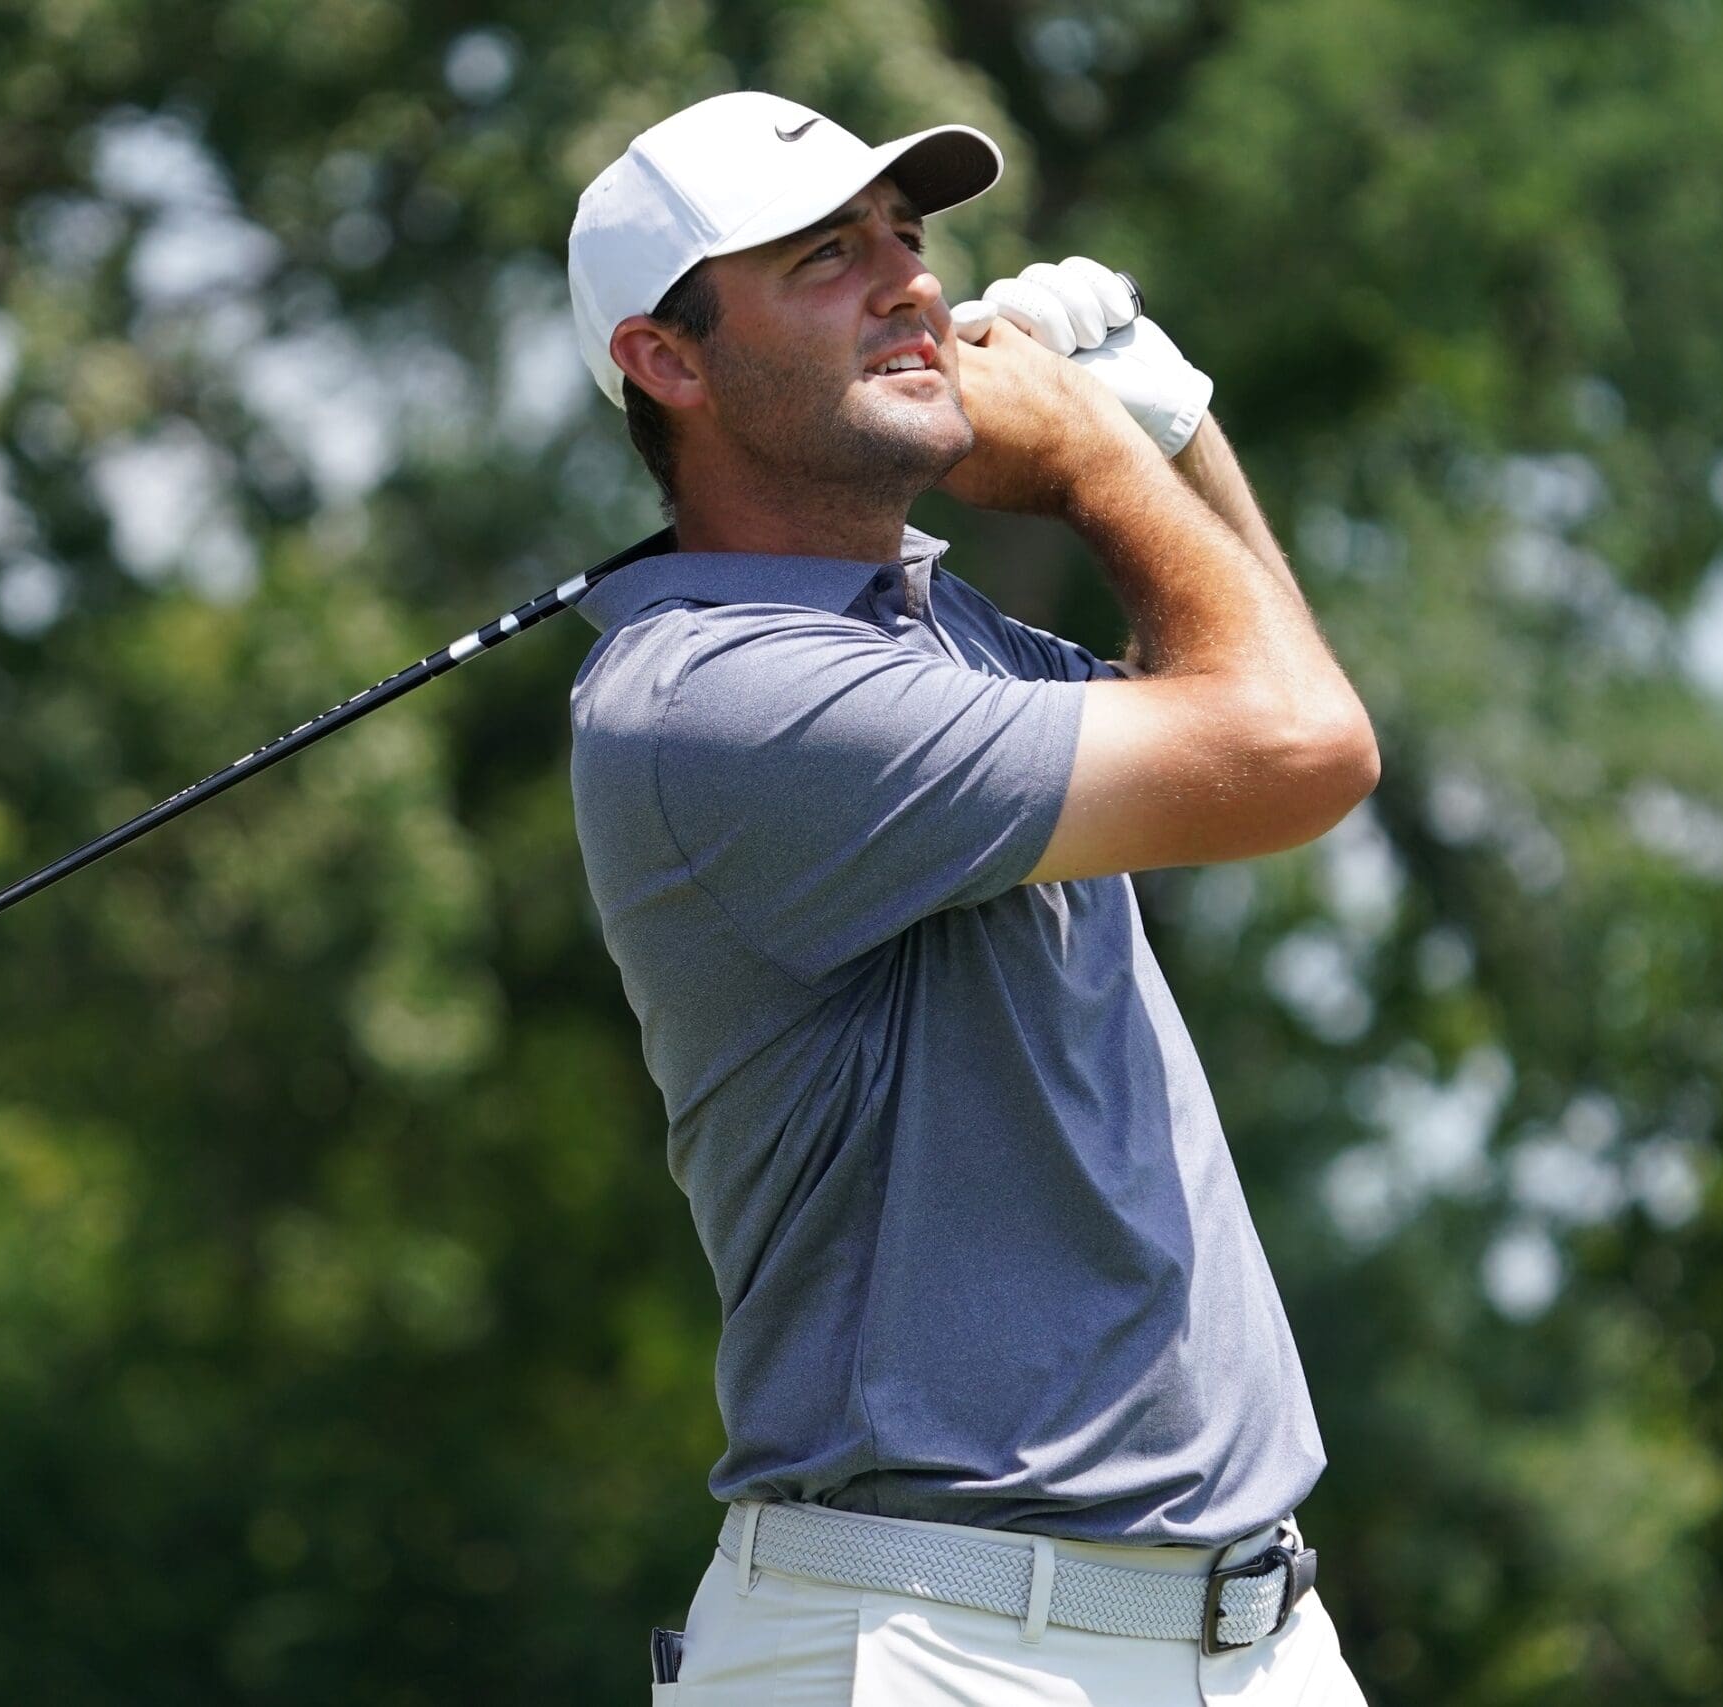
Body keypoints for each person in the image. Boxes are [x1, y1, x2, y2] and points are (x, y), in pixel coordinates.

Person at [563, 91, 1381, 1705]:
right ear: (669, 361)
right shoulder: (717, 697)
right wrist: (1092, 463)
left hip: (1250, 1633)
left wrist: (1177, 435)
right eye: (824, 258)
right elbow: (1301, 747)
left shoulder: (945, 642)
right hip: (937, 1644)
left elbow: (1247, 707)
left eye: (908, 241)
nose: (910, 286)